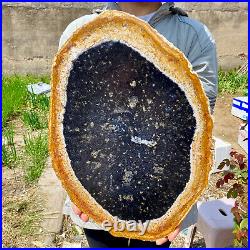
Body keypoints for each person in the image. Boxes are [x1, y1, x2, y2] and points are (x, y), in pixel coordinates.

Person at [59, 2, 218, 248]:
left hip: (162, 201)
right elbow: (67, 118)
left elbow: (199, 121)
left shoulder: (193, 35)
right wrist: (74, 185)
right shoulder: (81, 30)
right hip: (96, 203)